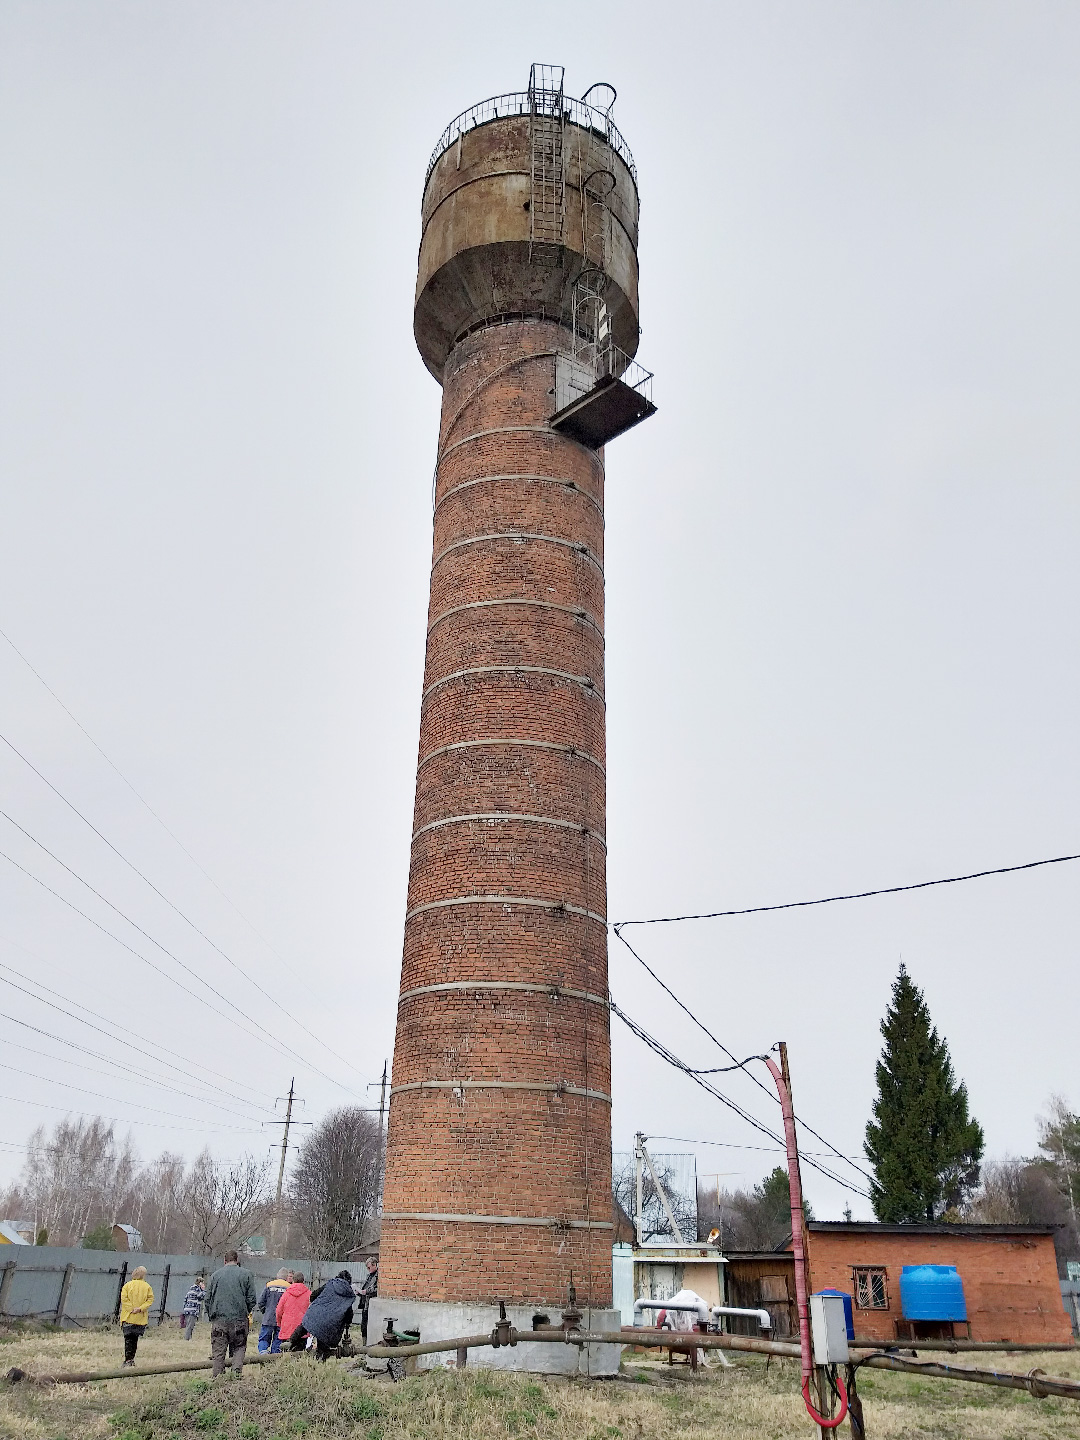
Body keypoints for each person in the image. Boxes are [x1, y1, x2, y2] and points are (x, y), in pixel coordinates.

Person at [206, 1249, 258, 1378]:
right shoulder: (247, 1274)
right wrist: (245, 1311)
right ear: (237, 1260)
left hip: (219, 1320)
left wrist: (212, 1315)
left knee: (218, 1353)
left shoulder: (215, 1276)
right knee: (239, 1348)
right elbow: (252, 1299)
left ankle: (218, 1379)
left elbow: (207, 1299)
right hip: (240, 1320)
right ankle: (235, 1376)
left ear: (224, 1261)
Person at [300, 1270, 356, 1361]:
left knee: (314, 1340)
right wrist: (346, 1322)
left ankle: (314, 1359)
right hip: (332, 1326)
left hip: (317, 1319)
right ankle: (321, 1360)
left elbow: (313, 1296)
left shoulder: (329, 1285)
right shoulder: (347, 1293)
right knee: (324, 1348)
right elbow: (349, 1314)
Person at [118, 1265, 154, 1367]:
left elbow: (124, 1299)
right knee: (135, 1339)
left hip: (128, 1317)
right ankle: (131, 1359)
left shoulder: (127, 1286)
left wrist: (131, 1309)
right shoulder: (147, 1287)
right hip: (140, 1319)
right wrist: (140, 1308)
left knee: (128, 1339)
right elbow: (150, 1300)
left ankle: (127, 1359)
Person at [256, 1268, 290, 1353]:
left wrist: (265, 1311)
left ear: (277, 1276)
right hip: (282, 1320)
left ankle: (263, 1353)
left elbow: (260, 1302)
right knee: (278, 1340)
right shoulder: (289, 1287)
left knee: (264, 1338)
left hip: (268, 1318)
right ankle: (274, 1358)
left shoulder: (269, 1285)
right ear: (286, 1278)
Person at [358, 1257, 378, 1343]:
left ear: (374, 1265)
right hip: (365, 1304)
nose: (368, 1269)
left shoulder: (378, 1276)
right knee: (363, 1326)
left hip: (372, 1304)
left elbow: (377, 1289)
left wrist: (366, 1291)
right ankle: (364, 1345)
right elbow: (365, 1288)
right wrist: (359, 1292)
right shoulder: (369, 1276)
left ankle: (369, 1345)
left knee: (370, 1326)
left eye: (369, 1267)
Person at [181, 1275, 206, 1340]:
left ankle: (189, 1338)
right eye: (203, 1283)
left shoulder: (190, 1289)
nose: (204, 1284)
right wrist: (203, 1290)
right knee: (190, 1326)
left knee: (188, 1325)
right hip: (192, 1310)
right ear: (200, 1283)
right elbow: (201, 1296)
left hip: (187, 1310)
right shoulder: (197, 1289)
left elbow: (185, 1300)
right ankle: (187, 1339)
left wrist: (184, 1309)